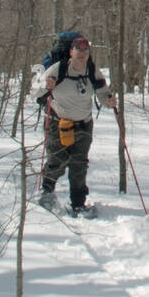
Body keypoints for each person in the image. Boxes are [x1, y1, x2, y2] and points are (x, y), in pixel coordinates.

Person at [38, 36, 117, 216]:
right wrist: (45, 85)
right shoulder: (58, 69)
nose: (82, 54)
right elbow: (36, 91)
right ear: (70, 52)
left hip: (84, 124)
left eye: (85, 50)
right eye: (78, 50)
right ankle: (47, 192)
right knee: (57, 160)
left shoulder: (91, 70)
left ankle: (78, 203)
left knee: (79, 164)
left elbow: (103, 92)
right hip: (58, 123)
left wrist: (109, 101)